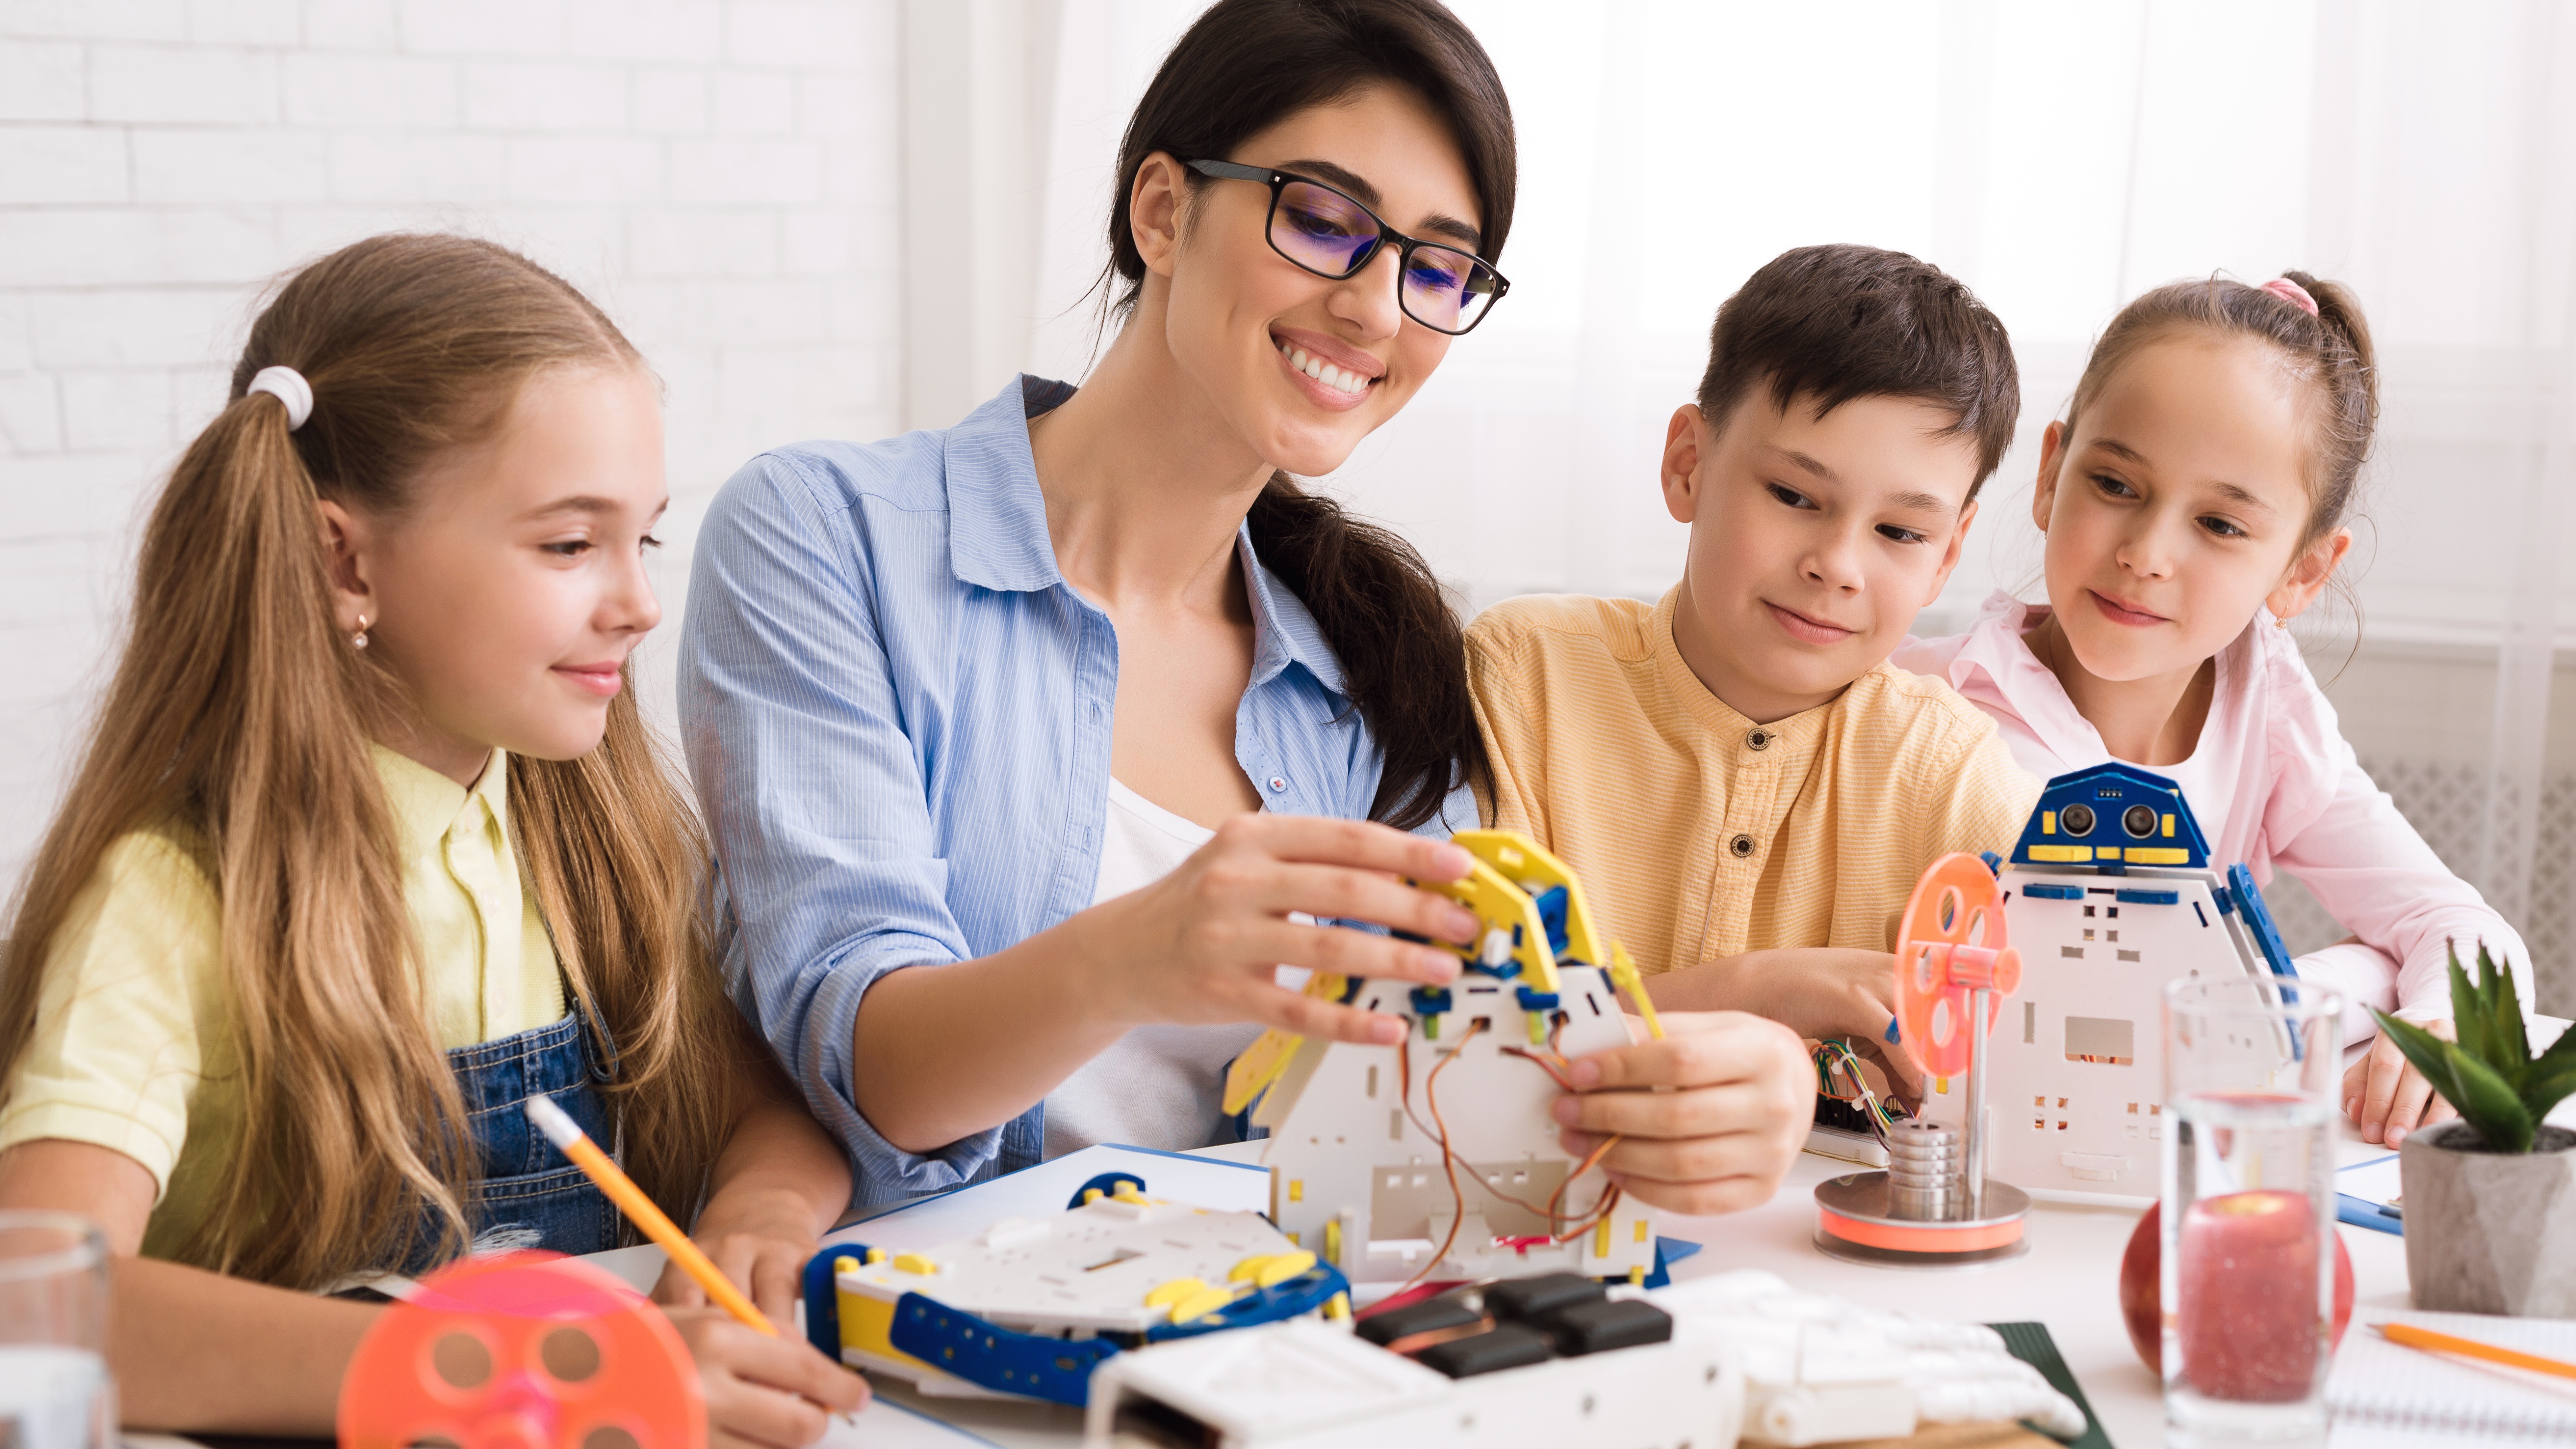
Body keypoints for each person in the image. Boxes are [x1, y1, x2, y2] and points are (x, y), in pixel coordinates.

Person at [680, 0, 1810, 1219]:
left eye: (1436, 267)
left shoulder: (1369, 662)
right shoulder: (822, 535)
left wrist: (1734, 1074)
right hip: (912, 1361)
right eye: (1325, 222)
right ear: (1161, 211)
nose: (1379, 310)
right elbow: (867, 1069)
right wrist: (1132, 955)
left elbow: (1454, 1082)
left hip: (1260, 1360)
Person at [0, 234, 864, 1444]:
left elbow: (765, 1111)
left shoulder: (584, 838)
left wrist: (755, 1225)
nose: (641, 602)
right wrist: (553, 1362)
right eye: (571, 544)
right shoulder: (174, 897)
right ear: (344, 559)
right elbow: (40, 1313)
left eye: (644, 538)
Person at [1893, 273, 2526, 1146]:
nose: (2145, 553)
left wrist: (2447, 1027)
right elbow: (2085, 1017)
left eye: (2221, 525)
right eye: (2115, 484)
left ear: (2301, 572)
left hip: (2173, 1184)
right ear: (2050, 473)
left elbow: (2450, 925)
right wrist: (2352, 977)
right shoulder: (1925, 703)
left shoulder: (2268, 715)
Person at [1467, 244, 2041, 1102]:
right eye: (1795, 496)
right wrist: (1746, 999)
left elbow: (2060, 1059)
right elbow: (1448, 1051)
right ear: (1689, 463)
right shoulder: (1524, 677)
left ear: (1948, 555)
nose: (1838, 564)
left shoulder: (1952, 773)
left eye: (1900, 533)